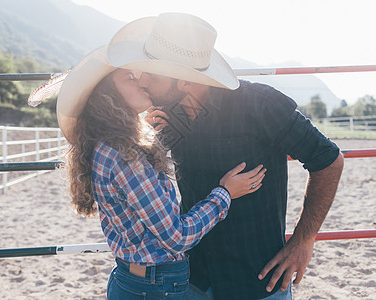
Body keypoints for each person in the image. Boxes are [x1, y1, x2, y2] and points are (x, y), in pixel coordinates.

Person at [106, 12, 345, 299]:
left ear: (185, 81)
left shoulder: (260, 105)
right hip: (192, 277)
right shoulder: (167, 115)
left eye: (153, 76)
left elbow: (329, 160)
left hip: (257, 280)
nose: (142, 81)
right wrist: (146, 136)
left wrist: (304, 239)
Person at [55, 45, 266, 299]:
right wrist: (225, 193)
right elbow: (177, 237)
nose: (141, 82)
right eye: (129, 78)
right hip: (155, 287)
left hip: (133, 279)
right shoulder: (124, 157)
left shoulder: (107, 145)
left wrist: (144, 134)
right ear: (106, 95)